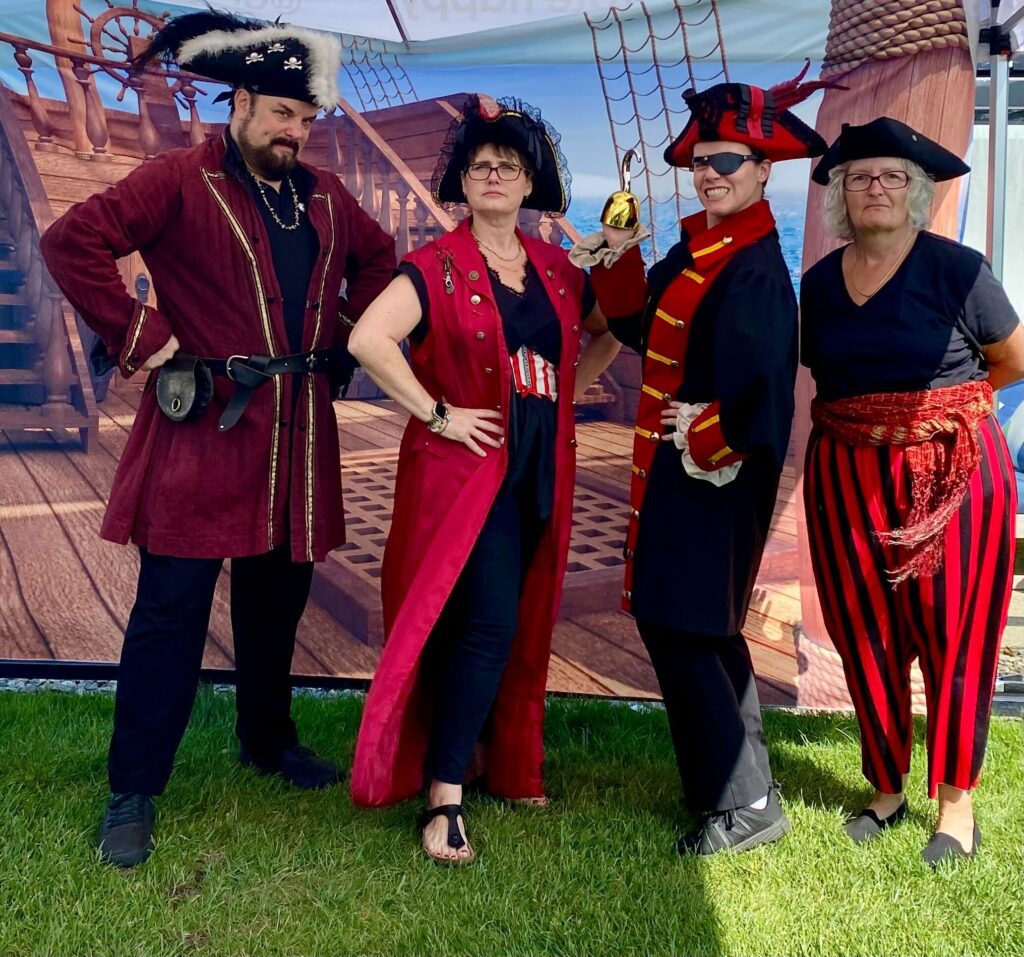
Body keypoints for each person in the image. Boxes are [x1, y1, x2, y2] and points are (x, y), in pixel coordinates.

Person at [39, 11, 396, 868]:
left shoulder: (323, 196)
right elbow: (71, 241)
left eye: (306, 120)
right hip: (206, 426)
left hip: (298, 431)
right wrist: (142, 333)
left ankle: (266, 739)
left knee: (277, 602)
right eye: (280, 113)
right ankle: (134, 789)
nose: (294, 132)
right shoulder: (178, 178)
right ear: (239, 103)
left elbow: (383, 262)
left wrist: (348, 328)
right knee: (169, 615)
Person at [347, 95, 619, 863]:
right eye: (480, 165)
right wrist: (437, 413)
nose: (494, 173)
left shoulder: (558, 269)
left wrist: (567, 390)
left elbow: (606, 334)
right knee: (488, 621)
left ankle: (499, 761)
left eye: (508, 164)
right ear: (462, 183)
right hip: (464, 471)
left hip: (539, 461)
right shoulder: (434, 264)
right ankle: (444, 796)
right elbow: (370, 339)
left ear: (530, 181)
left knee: (517, 616)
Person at [576, 70, 830, 855]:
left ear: (762, 171)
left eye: (726, 161)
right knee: (703, 627)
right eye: (700, 163)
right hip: (681, 468)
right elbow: (633, 321)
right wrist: (618, 253)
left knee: (683, 623)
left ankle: (740, 802)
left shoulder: (755, 267)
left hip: (715, 473)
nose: (710, 173)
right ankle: (744, 786)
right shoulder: (699, 246)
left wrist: (705, 433)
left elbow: (764, 397)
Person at [801, 117, 1024, 866]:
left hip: (954, 471)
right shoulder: (818, 285)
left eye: (892, 176)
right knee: (865, 629)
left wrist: (940, 416)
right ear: (841, 195)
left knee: (953, 633)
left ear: (918, 191)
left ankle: (956, 804)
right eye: (860, 176)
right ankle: (887, 787)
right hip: (845, 471)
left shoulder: (959, 270)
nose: (876, 188)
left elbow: (1012, 359)